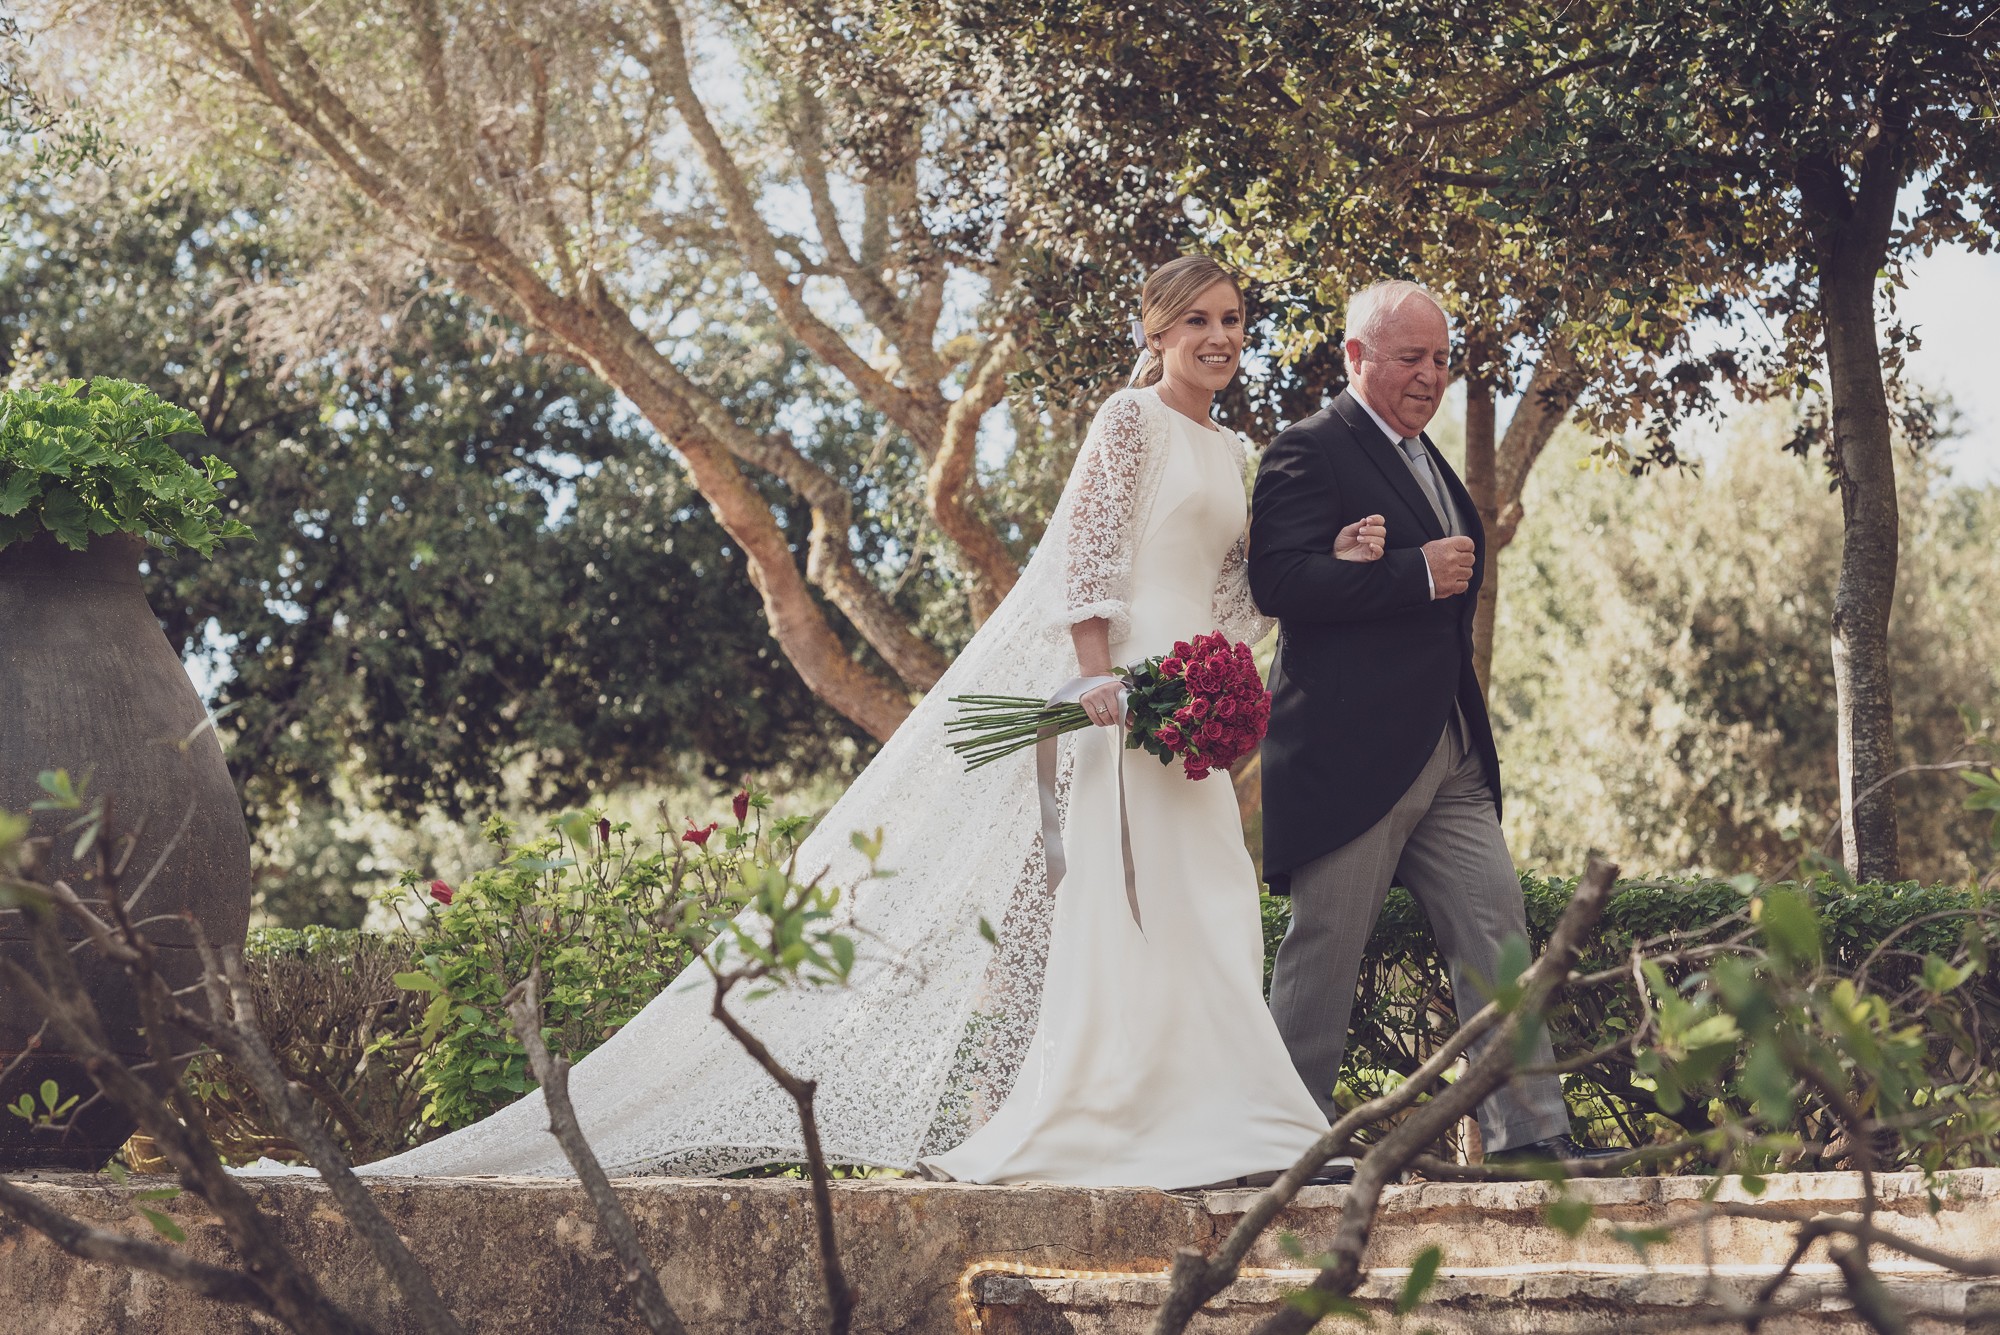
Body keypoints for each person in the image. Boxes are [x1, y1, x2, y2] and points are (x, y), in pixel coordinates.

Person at [349, 258, 1367, 1187]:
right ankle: (1122, 1119)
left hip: (1187, 704)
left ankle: (1240, 1124)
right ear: (1155, 331)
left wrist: (1321, 574)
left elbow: (1234, 592)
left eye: (1231, 320)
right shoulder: (1128, 421)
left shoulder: (1233, 446)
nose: (1219, 337)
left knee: (1215, 902)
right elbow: (1088, 556)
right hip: (1120, 699)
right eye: (1196, 320)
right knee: (1132, 902)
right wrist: (1096, 674)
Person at [1247, 279, 1617, 1167]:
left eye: (1442, 359)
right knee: (1326, 950)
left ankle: (1529, 1135)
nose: (1429, 375)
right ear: (1355, 357)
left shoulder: (1431, 463)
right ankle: (1279, 1144)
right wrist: (1411, 574)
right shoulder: (1309, 449)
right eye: (1409, 357)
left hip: (1449, 749)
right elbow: (1279, 583)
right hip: (1350, 752)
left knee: (1499, 936)